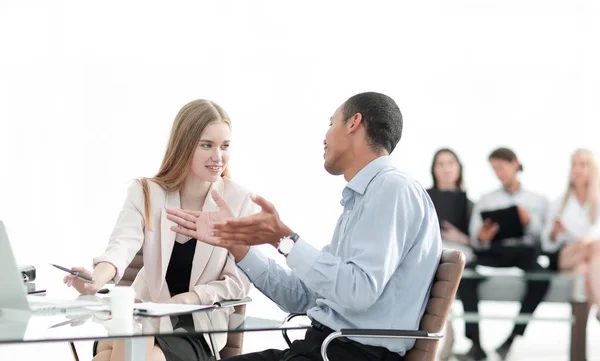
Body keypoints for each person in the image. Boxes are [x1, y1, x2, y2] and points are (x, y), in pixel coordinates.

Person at [167, 92, 443, 361]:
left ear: (353, 122)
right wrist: (237, 246)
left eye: (331, 123)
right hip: (321, 348)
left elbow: (358, 291)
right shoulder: (365, 199)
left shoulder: (392, 188)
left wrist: (284, 238)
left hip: (346, 352)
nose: (325, 137)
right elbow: (304, 297)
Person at [64, 99, 255, 361]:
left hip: (195, 329)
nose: (217, 157)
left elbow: (238, 282)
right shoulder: (146, 192)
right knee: (118, 353)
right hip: (141, 317)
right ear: (184, 145)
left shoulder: (240, 202)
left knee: (131, 357)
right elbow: (121, 246)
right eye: (206, 145)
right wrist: (95, 280)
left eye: (225, 146)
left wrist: (184, 301)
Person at [456, 147, 550, 361]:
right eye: (494, 169)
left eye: (501, 167)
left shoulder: (538, 200)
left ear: (515, 164)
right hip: (496, 251)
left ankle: (511, 339)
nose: (499, 173)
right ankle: (475, 342)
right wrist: (482, 236)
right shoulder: (486, 200)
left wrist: (528, 222)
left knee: (541, 278)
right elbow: (476, 239)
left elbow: (543, 240)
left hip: (524, 252)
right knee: (465, 274)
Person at [425, 148, 474, 360]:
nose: (445, 169)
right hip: (431, 255)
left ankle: (455, 341)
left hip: (460, 257)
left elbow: (479, 242)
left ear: (459, 168)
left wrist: (460, 237)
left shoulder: (470, 203)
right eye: (440, 164)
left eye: (450, 163)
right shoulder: (422, 197)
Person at [542, 149, 600, 316]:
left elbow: (592, 234)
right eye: (574, 165)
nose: (578, 169)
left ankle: (578, 340)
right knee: (594, 248)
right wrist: (554, 232)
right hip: (564, 255)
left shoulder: (597, 202)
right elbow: (546, 244)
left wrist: (571, 232)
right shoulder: (559, 203)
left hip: (587, 257)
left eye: (583, 165)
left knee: (583, 269)